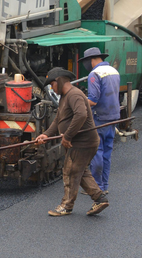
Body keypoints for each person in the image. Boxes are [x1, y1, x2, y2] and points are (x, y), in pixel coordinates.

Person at [35, 68, 108, 217]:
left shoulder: (74, 95)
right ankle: (99, 199)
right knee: (79, 172)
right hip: (80, 142)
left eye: (52, 85)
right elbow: (58, 120)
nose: (52, 89)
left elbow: (81, 114)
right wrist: (45, 134)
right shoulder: (64, 97)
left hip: (83, 143)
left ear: (59, 81)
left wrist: (67, 136)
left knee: (70, 172)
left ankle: (66, 206)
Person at [81, 47, 120, 193]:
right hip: (113, 117)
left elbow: (93, 100)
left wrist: (79, 100)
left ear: (91, 60)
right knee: (107, 153)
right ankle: (104, 186)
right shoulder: (114, 71)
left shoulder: (94, 74)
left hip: (99, 118)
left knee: (96, 151)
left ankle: (97, 186)